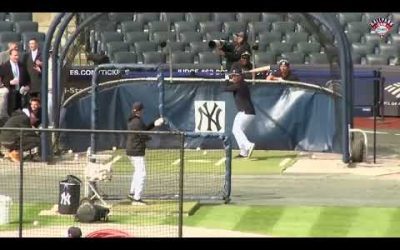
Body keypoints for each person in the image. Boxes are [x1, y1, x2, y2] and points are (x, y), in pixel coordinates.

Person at [126, 102, 164, 205]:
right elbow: (142, 135)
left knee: (137, 172)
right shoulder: (137, 122)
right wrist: (150, 137)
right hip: (136, 150)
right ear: (140, 110)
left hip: (131, 150)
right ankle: (137, 198)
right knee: (142, 173)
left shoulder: (133, 120)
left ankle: (132, 192)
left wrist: (153, 124)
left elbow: (143, 130)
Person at [224, 65, 256, 158]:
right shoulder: (241, 83)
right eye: (232, 76)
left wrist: (226, 78)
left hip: (246, 112)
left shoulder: (240, 84)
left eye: (235, 76)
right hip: (244, 112)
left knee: (237, 130)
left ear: (240, 76)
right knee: (236, 130)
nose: (233, 77)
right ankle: (243, 152)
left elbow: (226, 88)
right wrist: (228, 78)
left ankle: (248, 145)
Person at [0, 49, 30, 116]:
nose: (17, 57)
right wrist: (9, 82)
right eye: (15, 55)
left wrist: (27, 86)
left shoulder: (22, 66)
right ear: (10, 56)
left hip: (21, 93)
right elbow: (1, 80)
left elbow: (27, 79)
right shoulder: (4, 66)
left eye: (18, 55)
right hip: (10, 93)